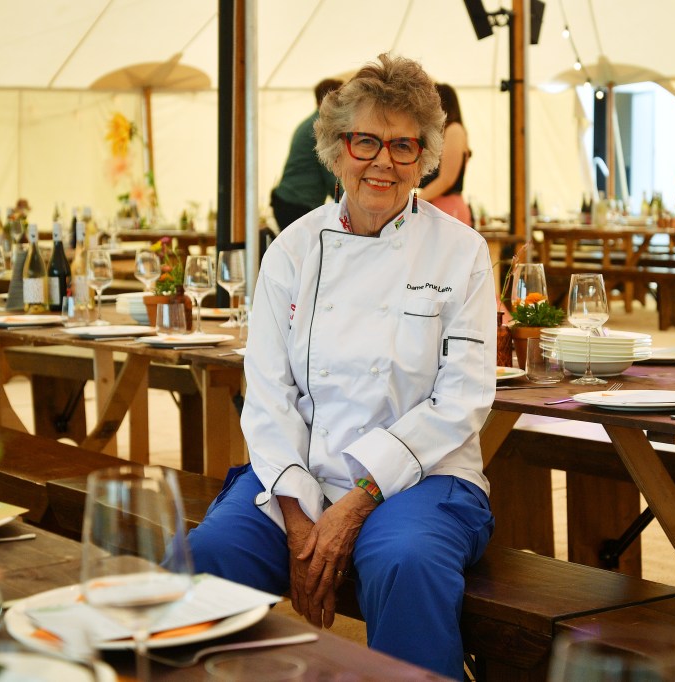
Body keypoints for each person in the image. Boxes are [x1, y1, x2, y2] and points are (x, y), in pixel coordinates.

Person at [189, 54, 495, 680]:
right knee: (204, 558)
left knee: (406, 563)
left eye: (404, 146)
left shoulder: (461, 252)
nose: (384, 161)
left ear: (425, 156)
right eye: (367, 141)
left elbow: (461, 399)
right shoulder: (293, 249)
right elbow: (268, 393)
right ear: (335, 147)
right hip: (299, 469)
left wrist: (354, 505)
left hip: (422, 478)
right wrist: (301, 519)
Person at [269, 78, 344, 229]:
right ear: (329, 99)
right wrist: (346, 200)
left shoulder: (311, 122)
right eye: (342, 98)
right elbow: (329, 169)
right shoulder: (321, 126)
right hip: (296, 204)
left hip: (289, 201)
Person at [417, 83, 473, 226]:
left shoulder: (454, 130)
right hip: (437, 207)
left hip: (448, 208)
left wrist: (415, 202)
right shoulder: (443, 132)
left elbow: (447, 180)